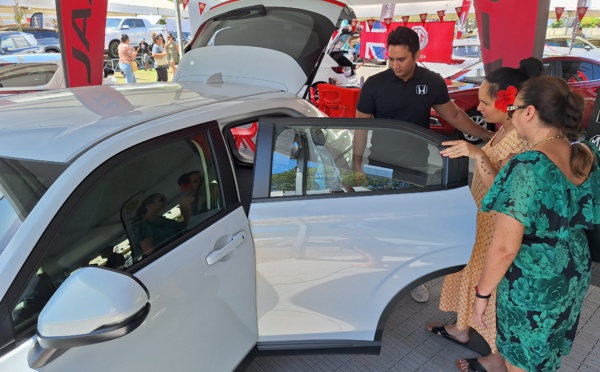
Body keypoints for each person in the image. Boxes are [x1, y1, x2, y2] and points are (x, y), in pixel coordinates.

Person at [354, 26, 493, 303]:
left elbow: (453, 114)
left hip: (417, 166)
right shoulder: (374, 85)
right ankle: (377, 274)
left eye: (401, 59)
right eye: (390, 59)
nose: (394, 65)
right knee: (379, 224)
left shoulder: (432, 81)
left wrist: (488, 136)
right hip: (380, 164)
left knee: (411, 225)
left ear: (417, 54)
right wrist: (357, 165)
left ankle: (409, 280)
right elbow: (360, 127)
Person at [474, 76, 600, 371]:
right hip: (573, 268)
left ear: (529, 112)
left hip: (535, 277)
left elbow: (505, 247)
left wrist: (482, 294)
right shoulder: (586, 154)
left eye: (514, 108)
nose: (512, 115)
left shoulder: (528, 165)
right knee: (545, 352)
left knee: (521, 360)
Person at [426, 57, 543, 372]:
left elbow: (507, 196)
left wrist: (476, 153)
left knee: (489, 286)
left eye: (483, 101)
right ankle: (462, 329)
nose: (479, 106)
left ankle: (497, 357)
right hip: (481, 218)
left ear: (509, 102)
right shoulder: (505, 127)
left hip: (498, 226)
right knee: (469, 274)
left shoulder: (523, 140)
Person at [134, 193, 186, 257]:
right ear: (150, 206)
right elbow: (149, 252)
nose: (165, 201)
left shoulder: (162, 220)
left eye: (164, 199)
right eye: (161, 200)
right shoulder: (143, 226)